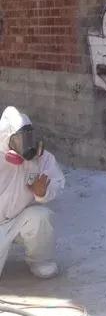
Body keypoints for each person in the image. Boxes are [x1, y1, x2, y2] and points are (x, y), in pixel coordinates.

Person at [0, 106, 66, 280]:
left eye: (29, 137)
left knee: (41, 216)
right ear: (7, 140)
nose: (27, 145)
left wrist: (43, 192)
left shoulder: (43, 159)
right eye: (20, 140)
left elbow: (58, 183)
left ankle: (41, 261)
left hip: (20, 218)